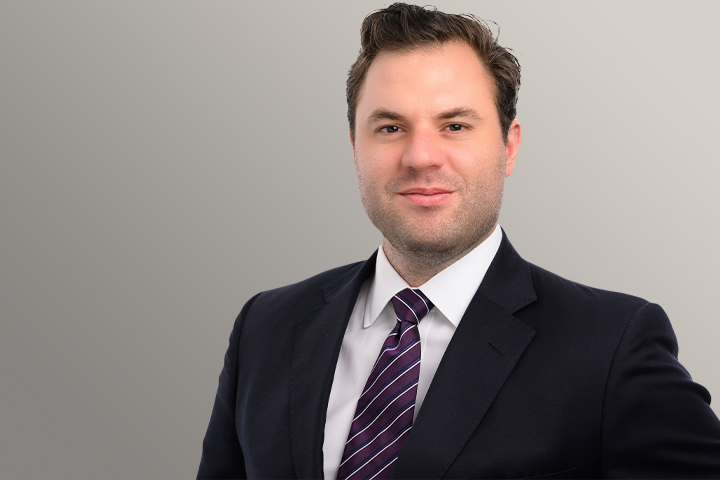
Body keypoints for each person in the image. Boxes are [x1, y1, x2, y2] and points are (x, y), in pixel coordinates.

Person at [197, 3, 720, 479]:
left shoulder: (610, 346)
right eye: (390, 128)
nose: (421, 156)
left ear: (508, 147)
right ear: (354, 146)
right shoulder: (265, 328)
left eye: (454, 126)